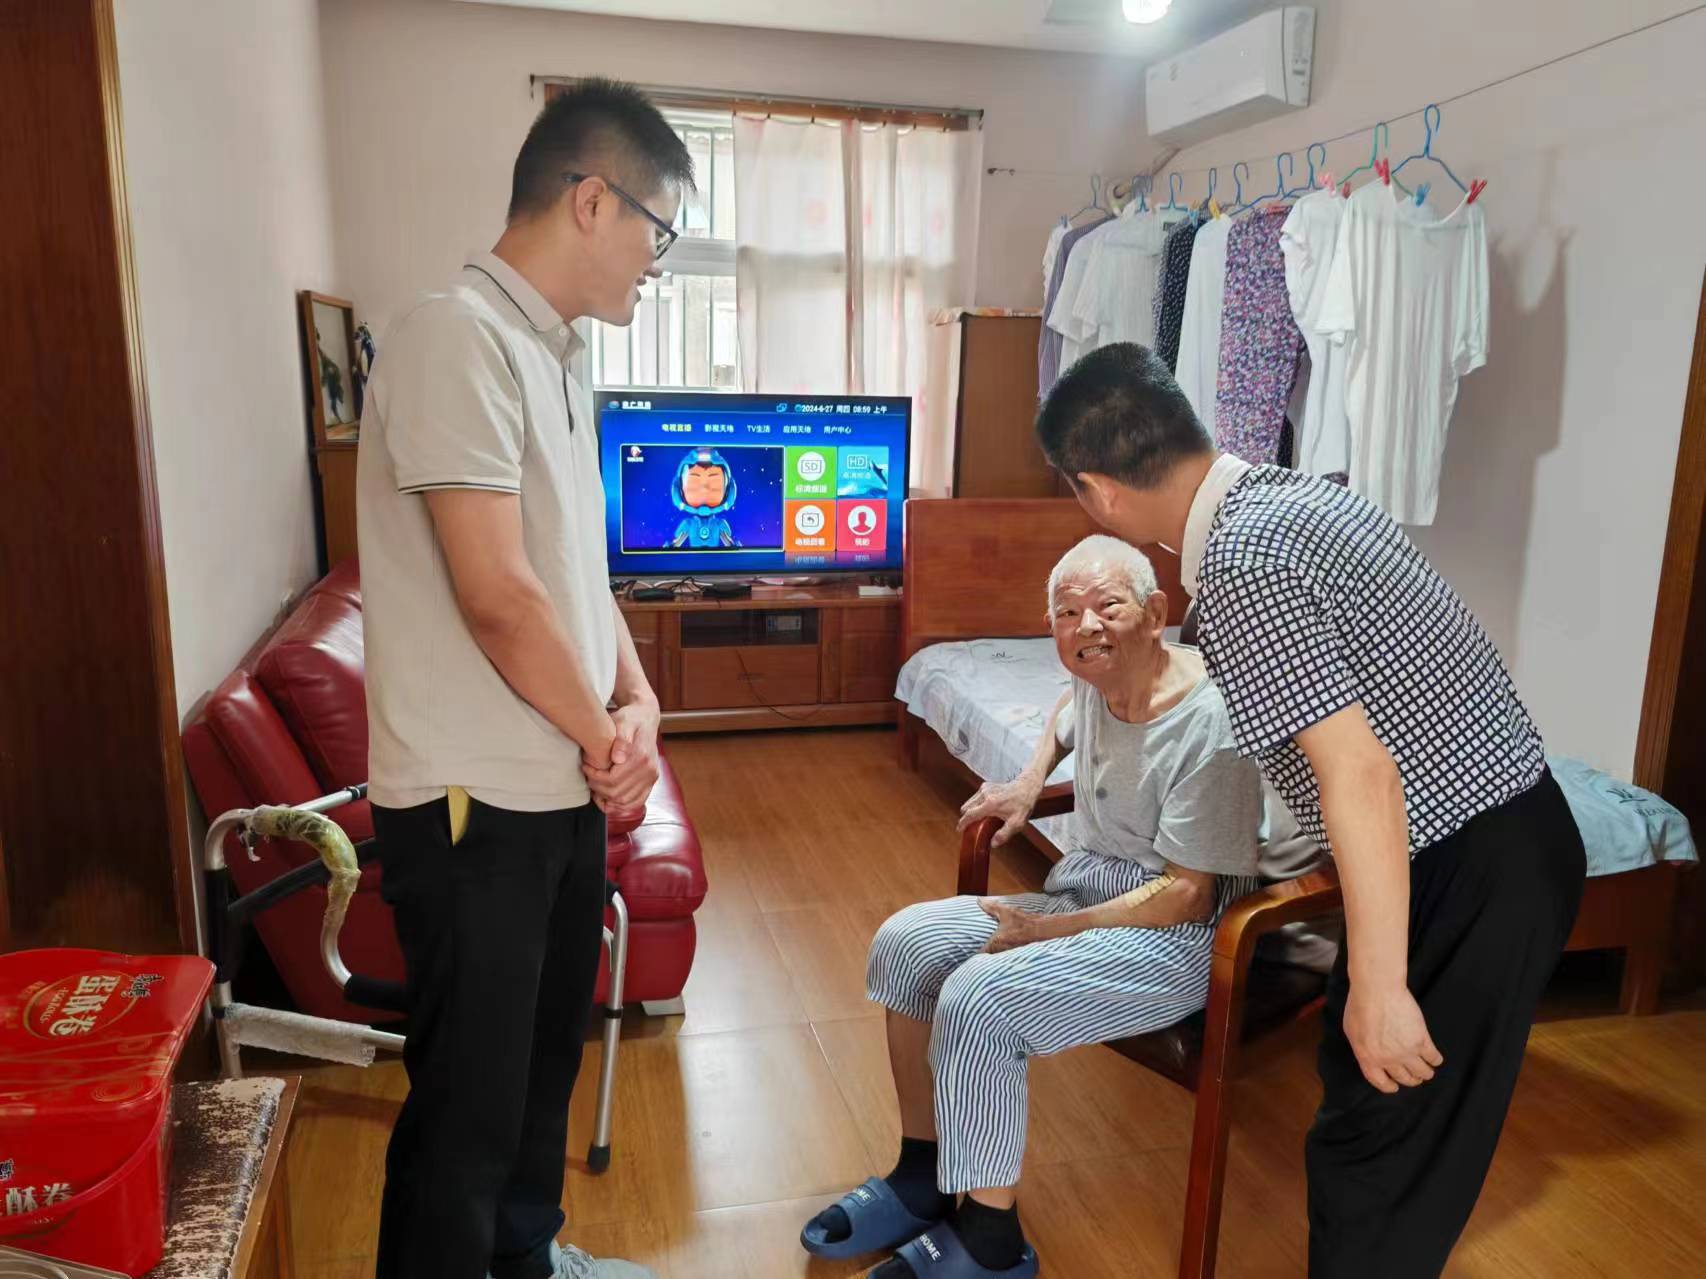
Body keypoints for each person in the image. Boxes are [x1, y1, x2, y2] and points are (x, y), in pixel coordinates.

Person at [1034, 343, 1586, 1278]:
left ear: (1100, 491)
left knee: (1376, 1152)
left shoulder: (1242, 566)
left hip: (1471, 862)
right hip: (1504, 835)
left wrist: (1379, 985)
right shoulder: (1302, 497)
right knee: (1373, 1124)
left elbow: (1360, 774)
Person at [356, 79, 693, 1279]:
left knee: (544, 1062)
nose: (657, 261)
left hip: (554, 787)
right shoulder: (453, 335)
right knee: (470, 1100)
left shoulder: (557, 356)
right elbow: (495, 593)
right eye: (660, 230)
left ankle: (527, 1260)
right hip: (474, 799)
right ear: (592, 200)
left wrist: (639, 700)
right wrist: (606, 739)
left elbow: (573, 573)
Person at [801, 536, 1264, 1279]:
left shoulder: (1210, 725)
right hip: (1084, 888)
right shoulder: (1097, 676)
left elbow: (1188, 893)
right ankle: (922, 1175)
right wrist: (1028, 780)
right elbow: (1063, 711)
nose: (1087, 627)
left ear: (1156, 613)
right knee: (905, 942)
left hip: (1178, 935)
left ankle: (990, 1242)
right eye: (1067, 613)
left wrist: (1046, 931)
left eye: (1107, 606)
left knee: (980, 996)